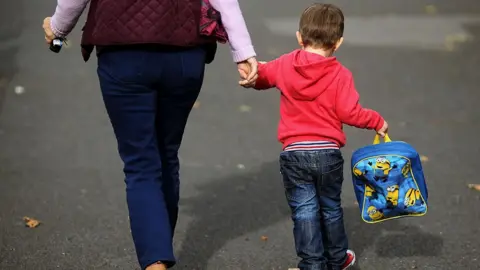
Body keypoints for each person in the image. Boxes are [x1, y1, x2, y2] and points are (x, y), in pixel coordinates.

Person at [42, 0, 258, 269]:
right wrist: (243, 51)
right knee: (166, 154)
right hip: (185, 53)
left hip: (123, 53)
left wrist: (58, 27)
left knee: (141, 162)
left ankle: (156, 260)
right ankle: (159, 253)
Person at [240, 3, 388, 270]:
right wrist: (377, 121)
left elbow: (263, 77)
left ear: (299, 37)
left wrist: (253, 73)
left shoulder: (286, 63)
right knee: (330, 208)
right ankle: (338, 259)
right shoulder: (341, 74)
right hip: (328, 153)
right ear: (339, 42)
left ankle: (311, 264)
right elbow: (349, 112)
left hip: (294, 153)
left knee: (304, 211)